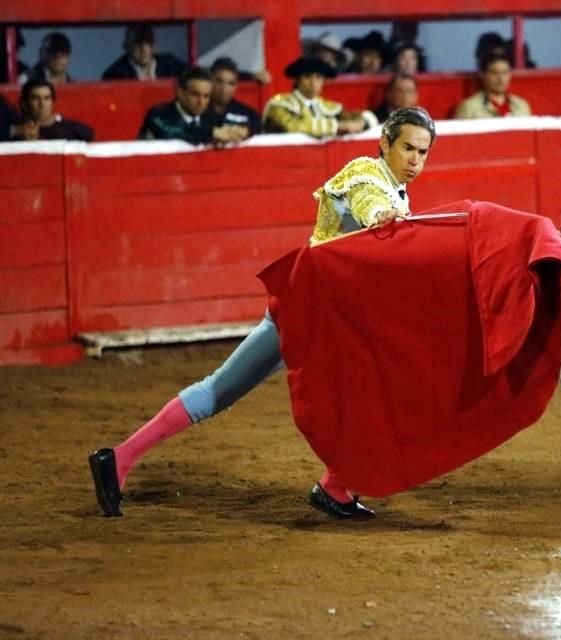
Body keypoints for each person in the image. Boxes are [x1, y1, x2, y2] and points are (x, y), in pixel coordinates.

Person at [88, 106, 438, 520]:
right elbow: (369, 206)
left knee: (371, 393)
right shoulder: (366, 174)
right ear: (385, 142)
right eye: (407, 148)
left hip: (328, 320)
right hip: (307, 315)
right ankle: (120, 459)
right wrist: (382, 218)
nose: (415, 160)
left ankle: (336, 485)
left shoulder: (398, 191)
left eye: (423, 152)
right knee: (222, 391)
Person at [263, 57, 375, 138]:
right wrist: (338, 126)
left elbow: (356, 117)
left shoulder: (329, 107)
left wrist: (363, 122)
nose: (313, 82)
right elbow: (292, 126)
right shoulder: (279, 104)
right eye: (307, 77)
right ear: (297, 80)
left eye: (318, 77)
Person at [138, 67, 241, 145]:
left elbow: (228, 129)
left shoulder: (209, 116)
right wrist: (211, 133)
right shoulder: (158, 114)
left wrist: (239, 132)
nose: (201, 102)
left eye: (206, 96)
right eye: (195, 95)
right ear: (180, 92)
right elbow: (173, 133)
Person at [454, 52, 531, 119]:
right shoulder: (469, 108)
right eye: (494, 73)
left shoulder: (521, 106)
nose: (501, 78)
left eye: (505, 72)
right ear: (483, 75)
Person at [11, 79, 93, 141]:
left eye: (47, 98)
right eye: (35, 98)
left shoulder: (65, 128)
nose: (42, 104)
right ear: (24, 104)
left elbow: (88, 134)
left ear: (52, 103)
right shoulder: (15, 129)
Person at [102, 23, 186, 81]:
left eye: (149, 42)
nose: (144, 49)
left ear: (155, 45)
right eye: (137, 43)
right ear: (126, 47)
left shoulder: (171, 65)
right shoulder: (115, 75)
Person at [206, 57, 260, 140]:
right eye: (219, 81)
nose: (224, 89)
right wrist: (212, 132)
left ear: (236, 86)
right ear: (210, 81)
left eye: (231, 83)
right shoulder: (197, 111)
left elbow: (264, 133)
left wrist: (248, 132)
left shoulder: (248, 114)